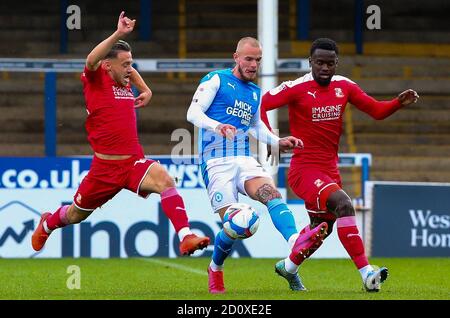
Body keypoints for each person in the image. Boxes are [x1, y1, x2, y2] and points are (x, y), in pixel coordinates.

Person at [31, 11, 210, 256]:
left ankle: (185, 236)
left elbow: (129, 71)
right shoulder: (96, 79)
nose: (130, 69)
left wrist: (145, 89)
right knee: (74, 215)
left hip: (132, 163)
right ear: (108, 66)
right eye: (125, 64)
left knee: (166, 181)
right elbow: (91, 59)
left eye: (131, 64)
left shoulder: (123, 79)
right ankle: (48, 223)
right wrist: (119, 33)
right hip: (103, 170)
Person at [261, 37, 419, 292]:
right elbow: (262, 104)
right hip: (304, 170)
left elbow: (376, 111)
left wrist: (397, 103)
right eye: (320, 63)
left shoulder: (345, 86)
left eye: (330, 63)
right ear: (310, 62)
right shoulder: (295, 87)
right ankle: (368, 274)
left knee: (321, 228)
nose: (325, 68)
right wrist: (271, 139)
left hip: (329, 170)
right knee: (344, 204)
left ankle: (288, 268)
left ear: (337, 63)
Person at [187, 37, 328, 294]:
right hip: (216, 162)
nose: (254, 65)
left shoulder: (254, 92)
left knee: (272, 194)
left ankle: (296, 241)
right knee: (237, 224)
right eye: (249, 59)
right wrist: (217, 126)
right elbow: (193, 114)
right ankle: (215, 268)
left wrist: (278, 140)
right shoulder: (216, 79)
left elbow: (254, 126)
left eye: (258, 60)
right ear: (236, 57)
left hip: (244, 158)